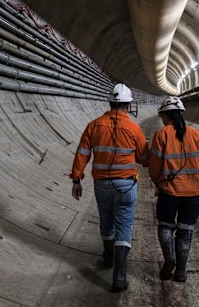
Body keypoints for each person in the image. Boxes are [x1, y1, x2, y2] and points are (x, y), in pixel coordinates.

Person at [70, 83, 149, 292]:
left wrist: (76, 180)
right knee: (124, 226)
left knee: (106, 221)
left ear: (110, 102)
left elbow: (82, 153)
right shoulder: (134, 128)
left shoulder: (94, 125)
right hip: (126, 185)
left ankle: (108, 257)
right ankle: (120, 276)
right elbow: (143, 157)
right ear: (129, 104)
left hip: (102, 184)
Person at [149, 96, 199, 282]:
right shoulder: (195, 134)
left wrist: (159, 183)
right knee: (185, 230)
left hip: (169, 191)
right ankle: (181, 271)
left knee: (165, 225)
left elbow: (154, 165)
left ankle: (169, 259)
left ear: (166, 116)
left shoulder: (161, 134)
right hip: (192, 193)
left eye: (162, 116)